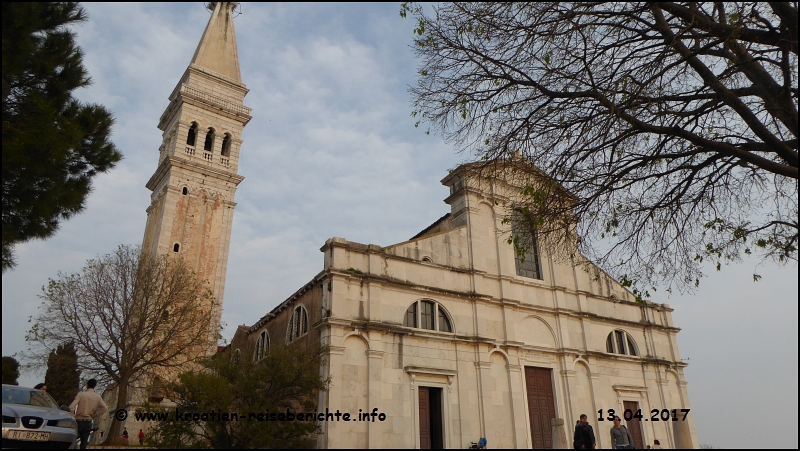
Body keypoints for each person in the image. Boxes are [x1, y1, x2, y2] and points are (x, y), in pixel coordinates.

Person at [69, 379, 108, 450]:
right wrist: (95, 415)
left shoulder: (81, 394)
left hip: (78, 420)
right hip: (88, 421)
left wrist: (73, 415)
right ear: (95, 386)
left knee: (73, 441)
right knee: (84, 443)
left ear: (87, 385)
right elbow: (105, 408)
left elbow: (71, 406)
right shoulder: (97, 397)